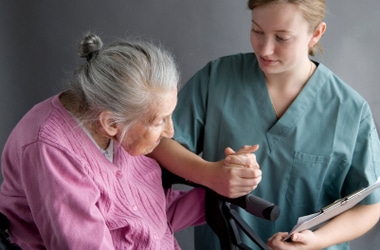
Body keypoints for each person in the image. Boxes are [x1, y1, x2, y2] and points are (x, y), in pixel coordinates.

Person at [149, 0, 380, 249]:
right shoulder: (217, 79)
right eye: (257, 31)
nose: (265, 49)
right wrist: (210, 174)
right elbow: (156, 142)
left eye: (282, 38)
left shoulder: (350, 112)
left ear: (316, 34)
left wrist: (316, 241)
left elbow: (369, 206)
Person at [0, 33, 212, 250]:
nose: (170, 132)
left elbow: (144, 215)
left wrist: (221, 187)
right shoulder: (51, 148)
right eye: (160, 121)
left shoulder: (115, 123)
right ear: (111, 122)